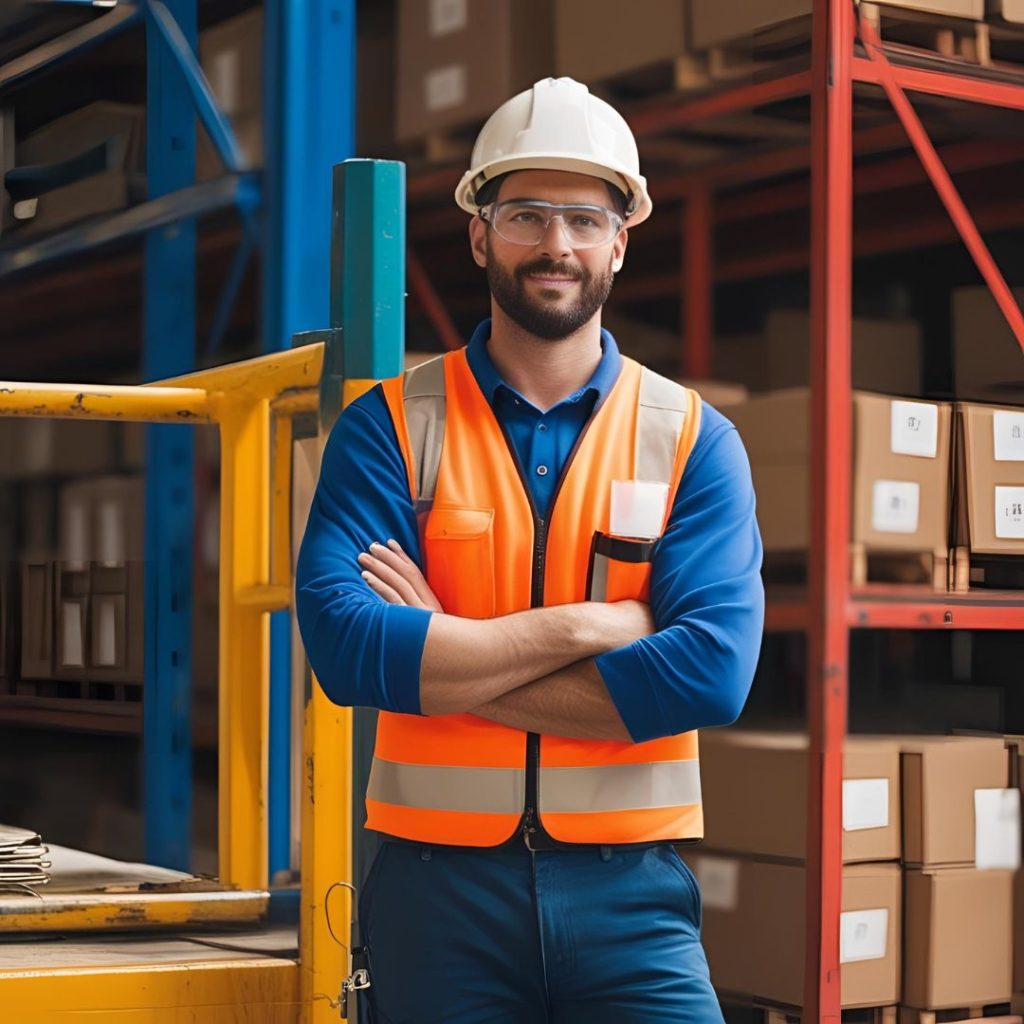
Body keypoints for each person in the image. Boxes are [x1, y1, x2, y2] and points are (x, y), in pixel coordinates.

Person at [296, 76, 764, 1024]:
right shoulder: (389, 428)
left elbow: (711, 676)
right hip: (437, 898)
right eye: (527, 215)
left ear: (620, 243)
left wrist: (442, 650)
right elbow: (347, 651)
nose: (557, 244)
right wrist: (592, 625)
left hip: (631, 899)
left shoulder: (691, 438)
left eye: (585, 219)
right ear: (479, 234)